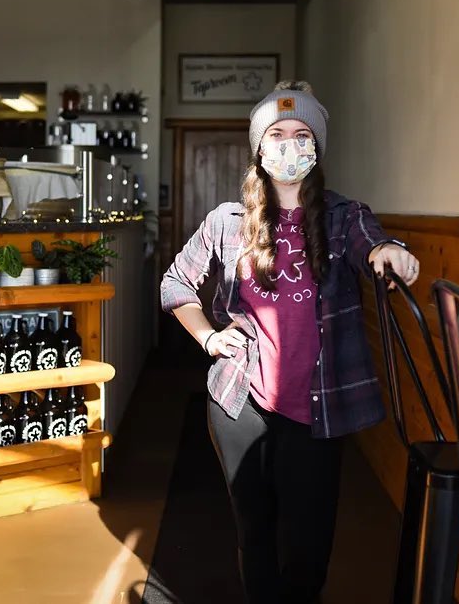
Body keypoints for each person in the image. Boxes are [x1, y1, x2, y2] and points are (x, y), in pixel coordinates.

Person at [160, 81, 420, 604]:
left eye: (303, 134)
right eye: (277, 133)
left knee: (308, 548)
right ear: (259, 147)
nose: (290, 144)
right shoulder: (226, 223)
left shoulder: (344, 217)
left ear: (317, 148)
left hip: (317, 409)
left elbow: (372, 244)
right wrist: (209, 337)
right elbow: (175, 283)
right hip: (241, 403)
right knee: (254, 533)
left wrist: (390, 252)